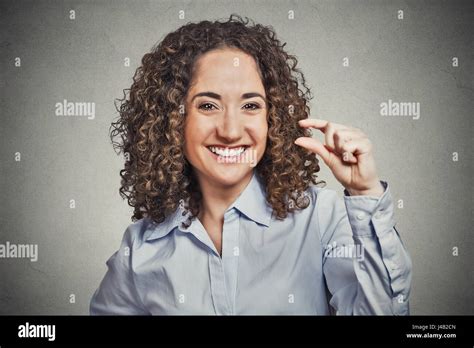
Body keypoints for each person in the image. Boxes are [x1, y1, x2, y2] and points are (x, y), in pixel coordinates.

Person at [90, 14, 412, 315]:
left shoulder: (322, 219)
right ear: (172, 120)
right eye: (207, 105)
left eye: (250, 105)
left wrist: (364, 193)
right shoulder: (141, 250)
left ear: (272, 118)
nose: (230, 131)